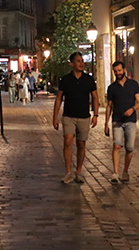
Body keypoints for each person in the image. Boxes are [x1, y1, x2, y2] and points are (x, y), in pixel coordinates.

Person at [53, 52, 99, 184]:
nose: (81, 63)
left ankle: (78, 171)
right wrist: (55, 117)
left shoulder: (88, 79)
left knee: (81, 144)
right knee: (68, 141)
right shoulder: (66, 80)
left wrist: (95, 114)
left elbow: (95, 97)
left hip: (84, 116)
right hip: (69, 116)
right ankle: (68, 172)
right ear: (72, 63)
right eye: (78, 61)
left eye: (82, 61)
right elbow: (59, 98)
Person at [104, 61, 139, 184]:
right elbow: (109, 106)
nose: (118, 73)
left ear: (124, 70)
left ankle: (125, 170)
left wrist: (132, 109)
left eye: (119, 71)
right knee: (117, 145)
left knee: (129, 147)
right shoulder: (112, 88)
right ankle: (115, 173)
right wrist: (106, 123)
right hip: (117, 121)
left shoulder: (133, 84)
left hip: (131, 121)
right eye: (115, 71)